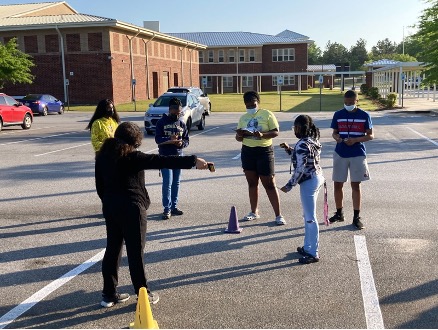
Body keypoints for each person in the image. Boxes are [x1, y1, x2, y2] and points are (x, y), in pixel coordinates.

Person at [95, 122, 210, 308]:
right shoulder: (133, 156)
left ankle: (108, 295)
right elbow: (163, 160)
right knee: (135, 253)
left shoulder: (102, 156)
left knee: (112, 249)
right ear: (135, 140)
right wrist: (193, 161)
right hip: (132, 208)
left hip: (110, 207)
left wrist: (108, 202)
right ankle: (143, 294)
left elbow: (99, 186)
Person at [235, 90, 285, 225]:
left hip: (264, 152)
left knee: (269, 183)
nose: (251, 107)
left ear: (258, 102)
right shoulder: (243, 118)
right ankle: (254, 211)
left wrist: (262, 135)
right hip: (248, 151)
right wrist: (240, 134)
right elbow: (238, 138)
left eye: (253, 104)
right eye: (248, 105)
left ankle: (278, 215)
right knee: (252, 183)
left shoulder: (267, 114)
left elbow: (275, 132)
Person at [280, 115, 324, 264]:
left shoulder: (302, 144)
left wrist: (289, 185)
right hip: (317, 178)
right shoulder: (312, 141)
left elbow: (300, 168)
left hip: (308, 182)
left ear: (301, 128)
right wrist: (288, 149)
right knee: (307, 216)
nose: (294, 130)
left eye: (296, 127)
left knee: (310, 218)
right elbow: (302, 157)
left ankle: (313, 252)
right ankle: (307, 247)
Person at [329, 90, 374, 230]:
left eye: (351, 103)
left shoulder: (364, 115)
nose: (348, 105)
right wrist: (337, 138)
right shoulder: (338, 114)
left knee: (355, 185)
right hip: (340, 152)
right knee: (337, 184)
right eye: (346, 103)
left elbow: (370, 135)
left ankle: (356, 216)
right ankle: (339, 213)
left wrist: (355, 140)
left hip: (357, 153)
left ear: (357, 101)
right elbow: (335, 133)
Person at [155, 97, 189, 220]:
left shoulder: (181, 123)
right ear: (170, 110)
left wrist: (181, 143)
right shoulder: (161, 122)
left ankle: (174, 207)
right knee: (167, 183)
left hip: (178, 156)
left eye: (179, 113)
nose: (178, 115)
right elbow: (158, 139)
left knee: (176, 183)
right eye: (176, 112)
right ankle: (167, 209)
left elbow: (186, 140)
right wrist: (169, 140)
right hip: (165, 157)